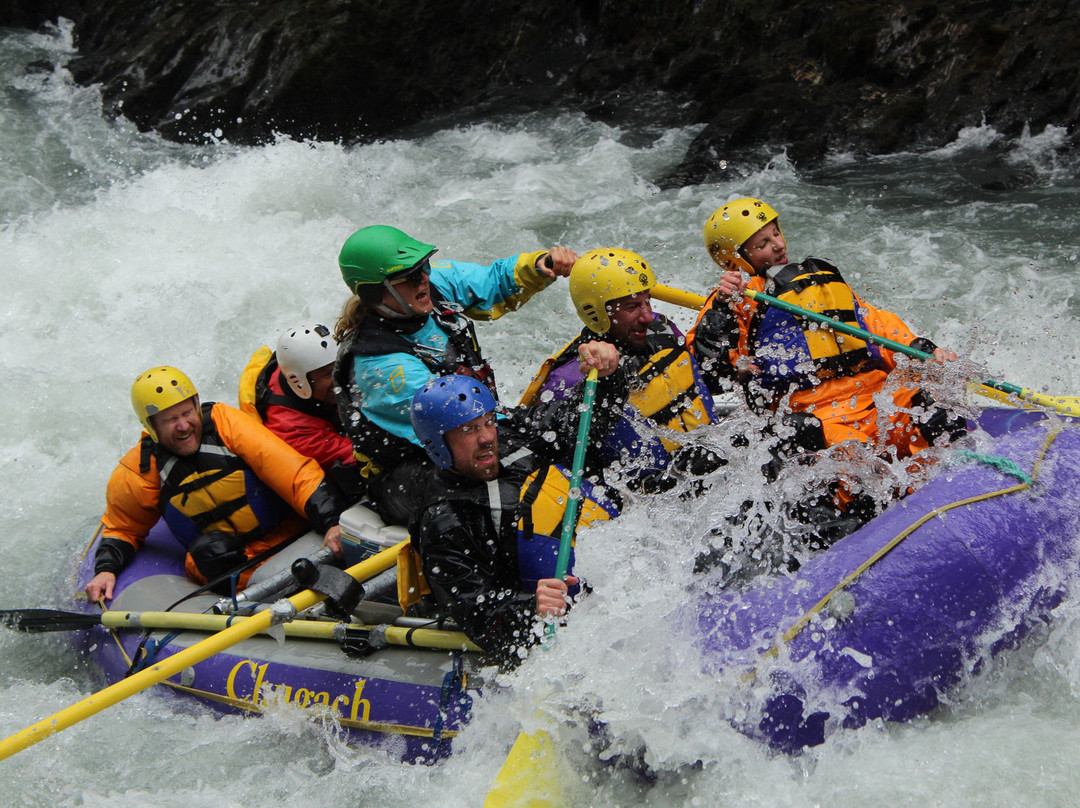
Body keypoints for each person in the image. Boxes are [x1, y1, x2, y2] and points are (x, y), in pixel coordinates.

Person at [333, 224, 578, 525]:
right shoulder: (380, 365)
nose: (423, 277)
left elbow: (493, 281)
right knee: (526, 454)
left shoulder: (430, 286)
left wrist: (540, 266)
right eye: (410, 276)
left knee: (558, 432)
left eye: (423, 266)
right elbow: (457, 421)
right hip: (408, 475)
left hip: (468, 431)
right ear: (375, 292)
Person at [688, 197, 967, 460]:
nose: (778, 245)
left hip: (878, 400)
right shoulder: (735, 300)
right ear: (735, 259)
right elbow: (712, 372)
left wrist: (922, 350)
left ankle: (948, 477)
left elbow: (876, 325)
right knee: (846, 461)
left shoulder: (819, 278)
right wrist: (723, 307)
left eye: (776, 233)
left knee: (939, 410)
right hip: (819, 415)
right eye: (763, 243)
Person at [406, 363, 627, 668]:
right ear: (438, 444)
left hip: (616, 573)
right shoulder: (446, 521)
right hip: (560, 619)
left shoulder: (514, 433)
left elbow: (583, 417)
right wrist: (531, 606)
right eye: (469, 429)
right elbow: (479, 615)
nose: (486, 438)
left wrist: (608, 375)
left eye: (487, 422)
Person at [85, 366, 346, 603]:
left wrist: (331, 520)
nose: (183, 425)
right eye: (170, 420)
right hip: (230, 570)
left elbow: (293, 473)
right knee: (209, 551)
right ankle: (249, 605)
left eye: (187, 412)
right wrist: (105, 570)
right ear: (151, 427)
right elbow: (122, 529)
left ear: (197, 405)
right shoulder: (140, 471)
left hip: (289, 535)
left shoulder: (225, 423)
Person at [521, 247, 723, 490]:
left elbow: (709, 375)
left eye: (647, 301)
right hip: (649, 499)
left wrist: (722, 313)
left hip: (711, 459)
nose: (647, 316)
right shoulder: (570, 378)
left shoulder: (661, 330)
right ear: (594, 312)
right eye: (631, 307)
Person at [238, 323, 366, 500]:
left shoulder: (300, 370)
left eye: (338, 366)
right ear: (299, 382)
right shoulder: (294, 431)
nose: (340, 377)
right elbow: (362, 454)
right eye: (328, 374)